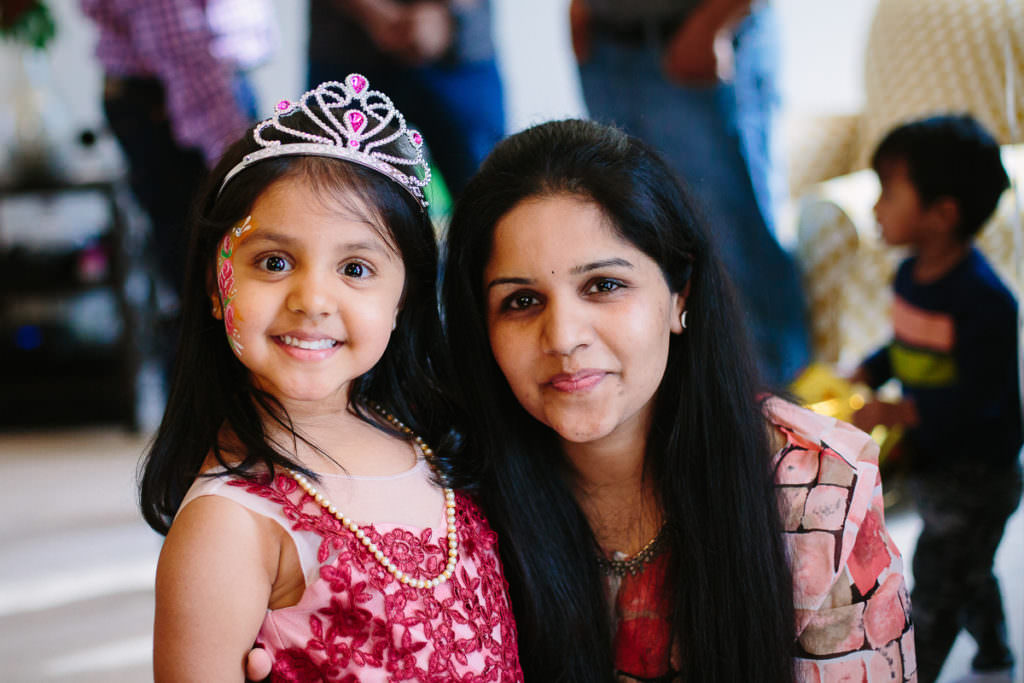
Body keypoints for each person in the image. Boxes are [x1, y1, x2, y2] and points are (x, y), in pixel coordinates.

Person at [442, 119, 914, 681]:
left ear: (678, 296)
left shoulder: (817, 492)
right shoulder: (445, 504)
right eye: (521, 301)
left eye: (604, 285)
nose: (563, 337)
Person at [139, 76, 522, 681]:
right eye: (274, 262)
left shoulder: (435, 439)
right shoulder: (227, 525)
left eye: (356, 268)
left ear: (403, 299)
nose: (313, 299)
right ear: (216, 285)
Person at [850, 114, 1022, 683]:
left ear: (942, 214)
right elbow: (907, 345)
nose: (876, 207)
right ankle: (995, 650)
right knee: (967, 571)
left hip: (978, 475)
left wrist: (898, 412)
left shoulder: (987, 303)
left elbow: (982, 402)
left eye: (888, 192)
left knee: (933, 593)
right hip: (934, 461)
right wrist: (870, 369)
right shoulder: (910, 278)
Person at [568, 0, 810, 387]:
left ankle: (779, 405)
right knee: (641, 239)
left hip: (693, 40)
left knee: (734, 245)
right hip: (607, 48)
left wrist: (713, 24)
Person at [79, 0, 274, 298]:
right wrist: (236, 161)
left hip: (184, 88)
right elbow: (184, 49)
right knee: (201, 254)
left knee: (199, 246)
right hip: (181, 95)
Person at [306, 0, 505, 197]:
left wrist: (443, 17)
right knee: (329, 189)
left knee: (487, 195)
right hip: (345, 50)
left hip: (461, 50)